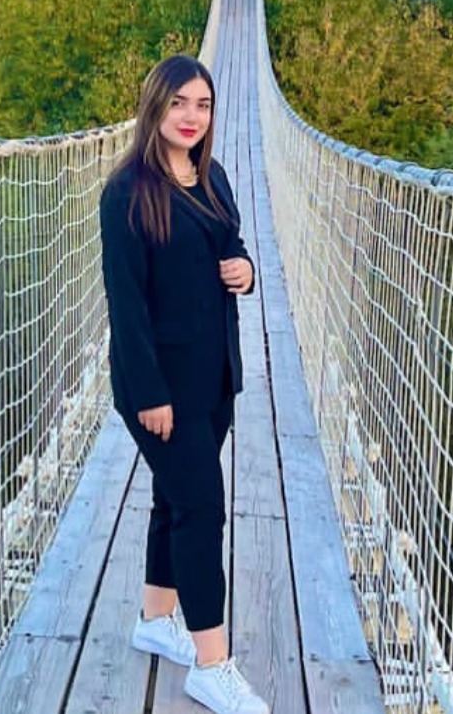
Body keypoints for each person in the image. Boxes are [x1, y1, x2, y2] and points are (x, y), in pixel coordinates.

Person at [99, 54, 269, 714]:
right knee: (201, 509)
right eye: (178, 103)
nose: (191, 116)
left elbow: (233, 243)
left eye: (202, 104)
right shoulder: (127, 193)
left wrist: (245, 271)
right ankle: (212, 664)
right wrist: (149, 396)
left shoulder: (211, 175)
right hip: (160, 387)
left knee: (174, 499)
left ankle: (153, 618)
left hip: (214, 375)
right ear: (155, 107)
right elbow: (126, 305)